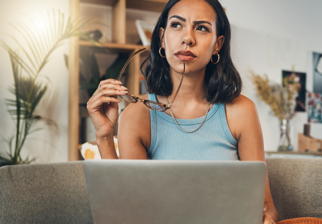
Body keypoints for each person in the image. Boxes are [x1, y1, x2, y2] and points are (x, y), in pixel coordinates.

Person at [86, 0, 279, 223]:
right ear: (162, 37)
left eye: (202, 28)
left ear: (218, 44)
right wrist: (104, 136)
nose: (187, 38)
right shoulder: (137, 115)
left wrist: (267, 220)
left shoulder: (241, 111)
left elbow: (266, 206)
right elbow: (127, 210)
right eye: (177, 25)